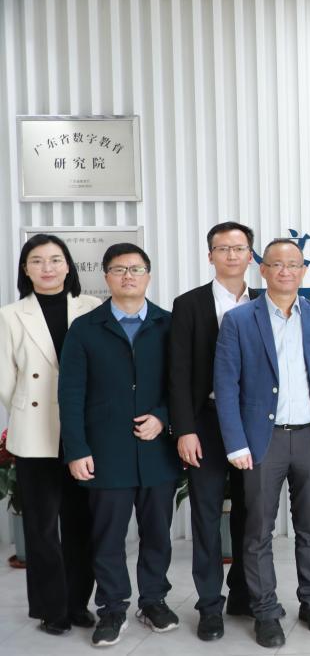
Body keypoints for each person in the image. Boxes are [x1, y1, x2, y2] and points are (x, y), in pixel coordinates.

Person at [59, 243, 181, 647]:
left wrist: (163, 416)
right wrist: (76, 449)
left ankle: (153, 600)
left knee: (157, 533)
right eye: (119, 269)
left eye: (136, 269)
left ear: (148, 275)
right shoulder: (85, 328)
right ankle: (112, 607)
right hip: (105, 451)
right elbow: (70, 393)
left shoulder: (169, 324)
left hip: (157, 452)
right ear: (106, 277)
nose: (128, 276)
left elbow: (183, 384)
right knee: (107, 536)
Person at [213, 238, 310, 648]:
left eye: (293, 264)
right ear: (262, 269)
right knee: (258, 530)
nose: (285, 271)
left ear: (303, 270)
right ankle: (265, 611)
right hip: (262, 441)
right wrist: (235, 443)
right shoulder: (239, 320)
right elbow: (226, 386)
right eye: (277, 264)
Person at [0, 234, 100, 636]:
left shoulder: (91, 307)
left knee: (81, 523)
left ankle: (78, 604)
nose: (47, 267)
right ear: (25, 269)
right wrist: (29, 408)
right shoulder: (10, 315)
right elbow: (6, 381)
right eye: (37, 260)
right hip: (35, 433)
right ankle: (50, 608)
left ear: (68, 265)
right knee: (41, 527)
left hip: (83, 434)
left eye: (55, 259)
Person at [168, 222, 258, 640]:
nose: (232, 255)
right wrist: (184, 429)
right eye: (223, 248)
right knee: (205, 515)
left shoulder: (264, 301)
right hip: (205, 422)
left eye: (239, 248)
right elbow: (177, 373)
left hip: (251, 424)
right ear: (210, 256)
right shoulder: (189, 304)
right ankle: (209, 605)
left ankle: (243, 593)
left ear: (251, 255)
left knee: (250, 512)